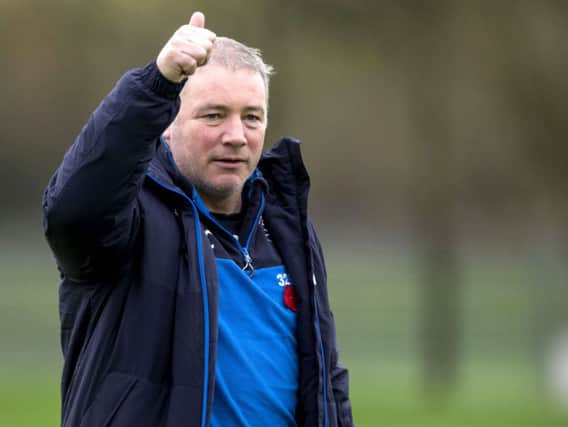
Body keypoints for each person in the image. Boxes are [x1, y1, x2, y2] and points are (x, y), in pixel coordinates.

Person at [42, 11, 353, 427]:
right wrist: (156, 84)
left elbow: (326, 379)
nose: (236, 135)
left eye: (251, 116)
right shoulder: (129, 220)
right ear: (167, 123)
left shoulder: (287, 226)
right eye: (213, 115)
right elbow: (72, 213)